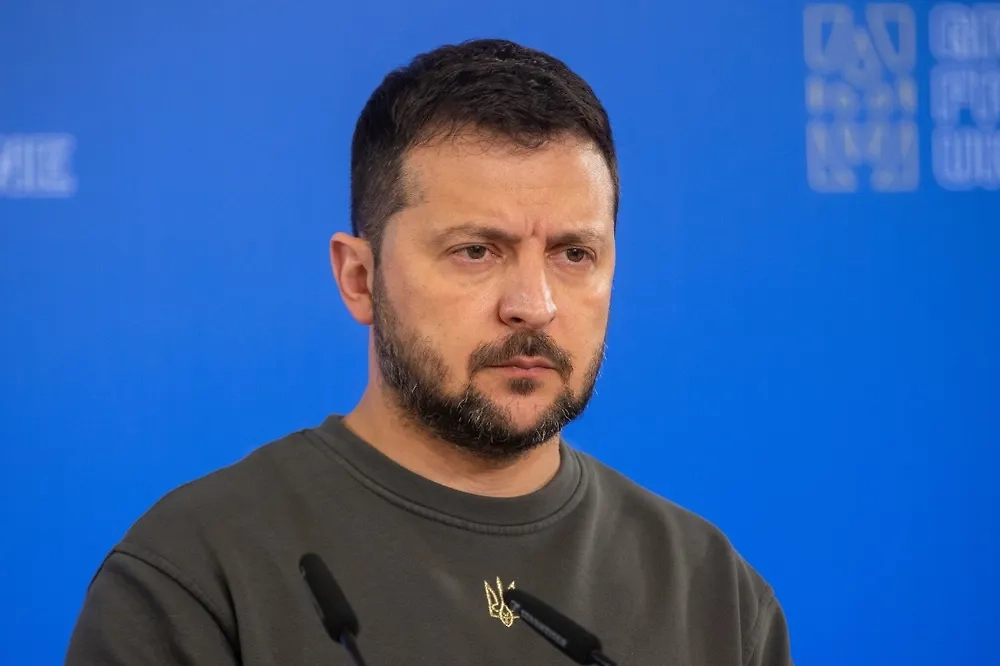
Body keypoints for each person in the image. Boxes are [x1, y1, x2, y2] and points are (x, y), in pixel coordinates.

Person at [65, 38, 794, 665]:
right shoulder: (197, 575)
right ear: (360, 278)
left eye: (574, 253)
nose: (534, 304)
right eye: (476, 251)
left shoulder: (714, 595)